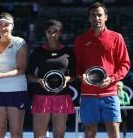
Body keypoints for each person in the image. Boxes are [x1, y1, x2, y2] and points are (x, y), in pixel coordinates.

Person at [74, 1, 131, 138]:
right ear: (89, 18)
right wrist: (82, 78)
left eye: (99, 15)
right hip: (88, 94)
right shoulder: (81, 40)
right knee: (90, 131)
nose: (96, 18)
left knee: (113, 131)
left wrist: (112, 79)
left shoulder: (117, 38)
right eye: (93, 15)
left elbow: (125, 64)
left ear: (106, 17)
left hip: (110, 93)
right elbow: (76, 67)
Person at [27, 19, 76, 138]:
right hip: (41, 97)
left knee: (59, 135)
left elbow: (74, 75)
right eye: (49, 31)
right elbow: (28, 74)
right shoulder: (38, 51)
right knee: (39, 136)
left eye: (56, 31)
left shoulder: (68, 52)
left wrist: (67, 79)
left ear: (60, 33)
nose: (53, 34)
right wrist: (39, 80)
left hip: (62, 97)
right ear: (45, 33)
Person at [0, 12, 28, 138]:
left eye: (6, 25)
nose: (3, 28)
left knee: (16, 132)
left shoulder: (20, 42)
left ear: (12, 26)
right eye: (0, 25)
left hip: (17, 90)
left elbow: (20, 69)